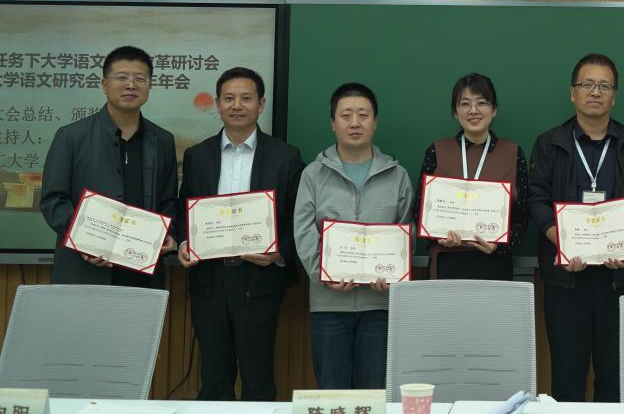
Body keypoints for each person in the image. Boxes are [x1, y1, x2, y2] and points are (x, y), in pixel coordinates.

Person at [526, 53, 624, 402]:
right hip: (566, 280)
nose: (595, 92)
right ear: (573, 93)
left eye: (604, 86)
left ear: (614, 96)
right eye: (587, 84)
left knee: (614, 381)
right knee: (567, 380)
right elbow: (536, 198)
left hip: (619, 280)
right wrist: (561, 240)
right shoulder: (549, 143)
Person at [172, 67, 304, 401]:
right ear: (217, 104)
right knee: (214, 380)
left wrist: (279, 252)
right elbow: (183, 211)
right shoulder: (198, 156)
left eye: (246, 98)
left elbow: (299, 219)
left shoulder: (286, 157)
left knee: (258, 380)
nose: (237, 105)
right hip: (209, 279)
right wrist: (185, 242)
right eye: (229, 98)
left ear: (261, 104)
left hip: (259, 280)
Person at [294, 82, 413, 390]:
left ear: (376, 121)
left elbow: (406, 231)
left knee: (372, 394)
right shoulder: (313, 174)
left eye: (363, 114)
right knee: (332, 394)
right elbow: (304, 232)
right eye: (346, 115)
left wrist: (393, 274)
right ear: (333, 123)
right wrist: (324, 276)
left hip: (379, 305)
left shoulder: (397, 175)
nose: (355, 123)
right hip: (328, 305)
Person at [40, 45, 178, 286]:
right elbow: (53, 200)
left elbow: (168, 202)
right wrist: (84, 241)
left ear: (150, 86)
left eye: (140, 79)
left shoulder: (162, 140)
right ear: (104, 85)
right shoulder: (71, 136)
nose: (131, 85)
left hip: (142, 271)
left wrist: (169, 233)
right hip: (83, 270)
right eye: (121, 77)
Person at [415, 72, 529, 280]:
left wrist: (499, 245)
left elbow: (522, 215)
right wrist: (438, 236)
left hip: (495, 262)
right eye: (465, 104)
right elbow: (419, 209)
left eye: (482, 103)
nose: (473, 110)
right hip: (446, 261)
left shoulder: (513, 153)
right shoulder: (437, 151)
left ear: (494, 110)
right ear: (455, 112)